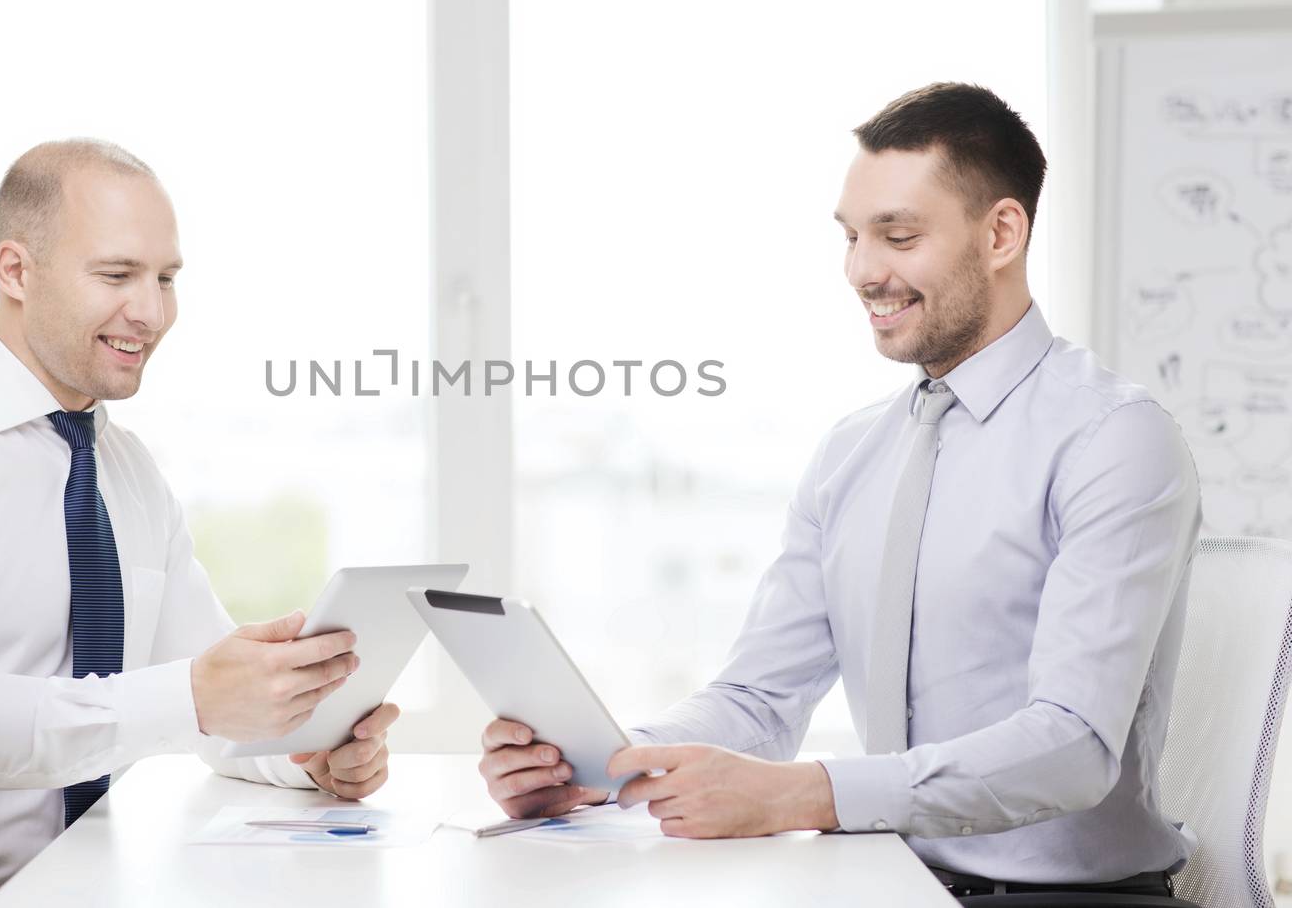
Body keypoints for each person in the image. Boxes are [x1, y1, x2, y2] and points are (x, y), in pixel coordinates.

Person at [477, 83, 1202, 901]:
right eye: (852, 237)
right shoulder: (854, 452)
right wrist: (606, 765)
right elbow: (760, 697)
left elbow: (1072, 744)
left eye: (897, 235)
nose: (862, 271)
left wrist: (801, 793)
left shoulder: (1113, 437)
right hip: (887, 881)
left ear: (1002, 232)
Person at [0, 140, 397, 907]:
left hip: (94, 888)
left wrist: (303, 753)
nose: (153, 311)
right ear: (14, 271)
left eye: (165, 278)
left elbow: (206, 706)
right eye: (116, 274)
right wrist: (194, 695)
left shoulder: (128, 472)